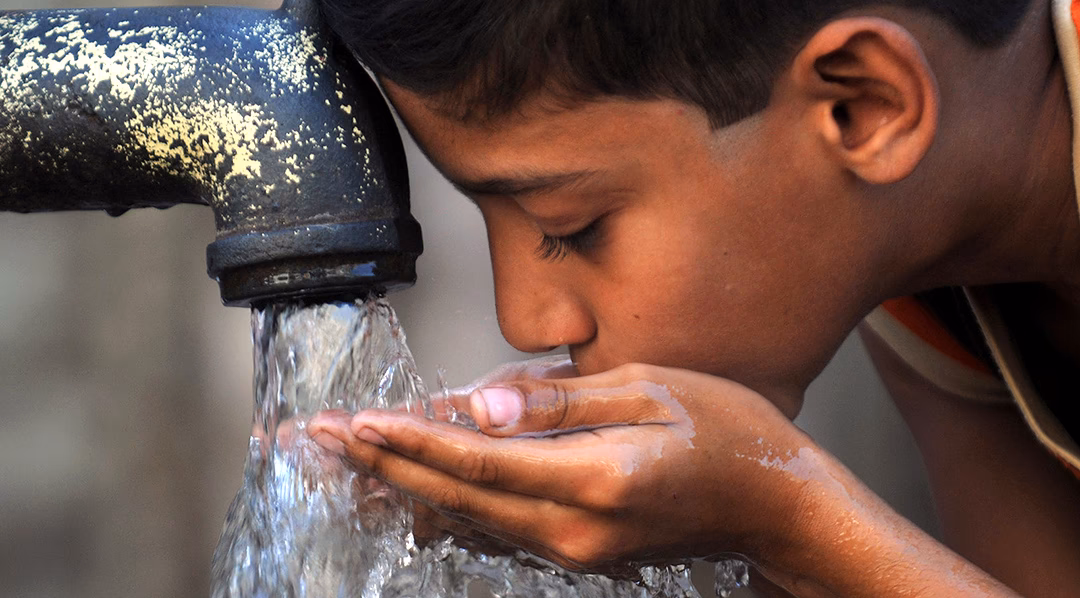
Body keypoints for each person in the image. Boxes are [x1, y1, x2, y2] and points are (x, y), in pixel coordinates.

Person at [308, 0, 1080, 595]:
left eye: (571, 228)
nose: (528, 320)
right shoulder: (923, 280)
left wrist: (790, 518)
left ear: (865, 105)